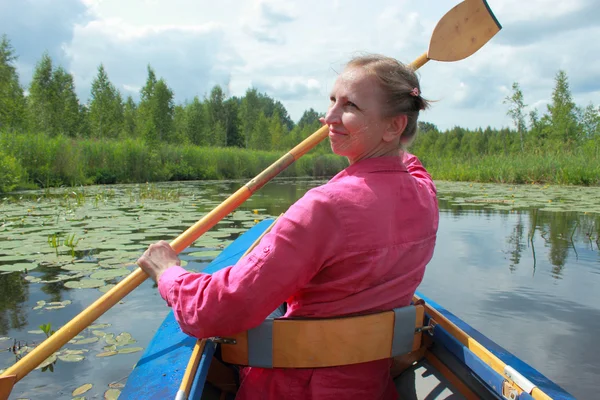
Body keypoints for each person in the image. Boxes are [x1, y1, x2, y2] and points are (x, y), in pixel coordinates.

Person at [137, 54, 439, 400]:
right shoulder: (424, 195)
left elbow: (217, 310)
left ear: (394, 126)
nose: (328, 117)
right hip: (371, 389)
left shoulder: (323, 207)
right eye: (332, 101)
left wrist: (168, 274)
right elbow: (410, 164)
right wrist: (379, 134)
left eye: (350, 105)